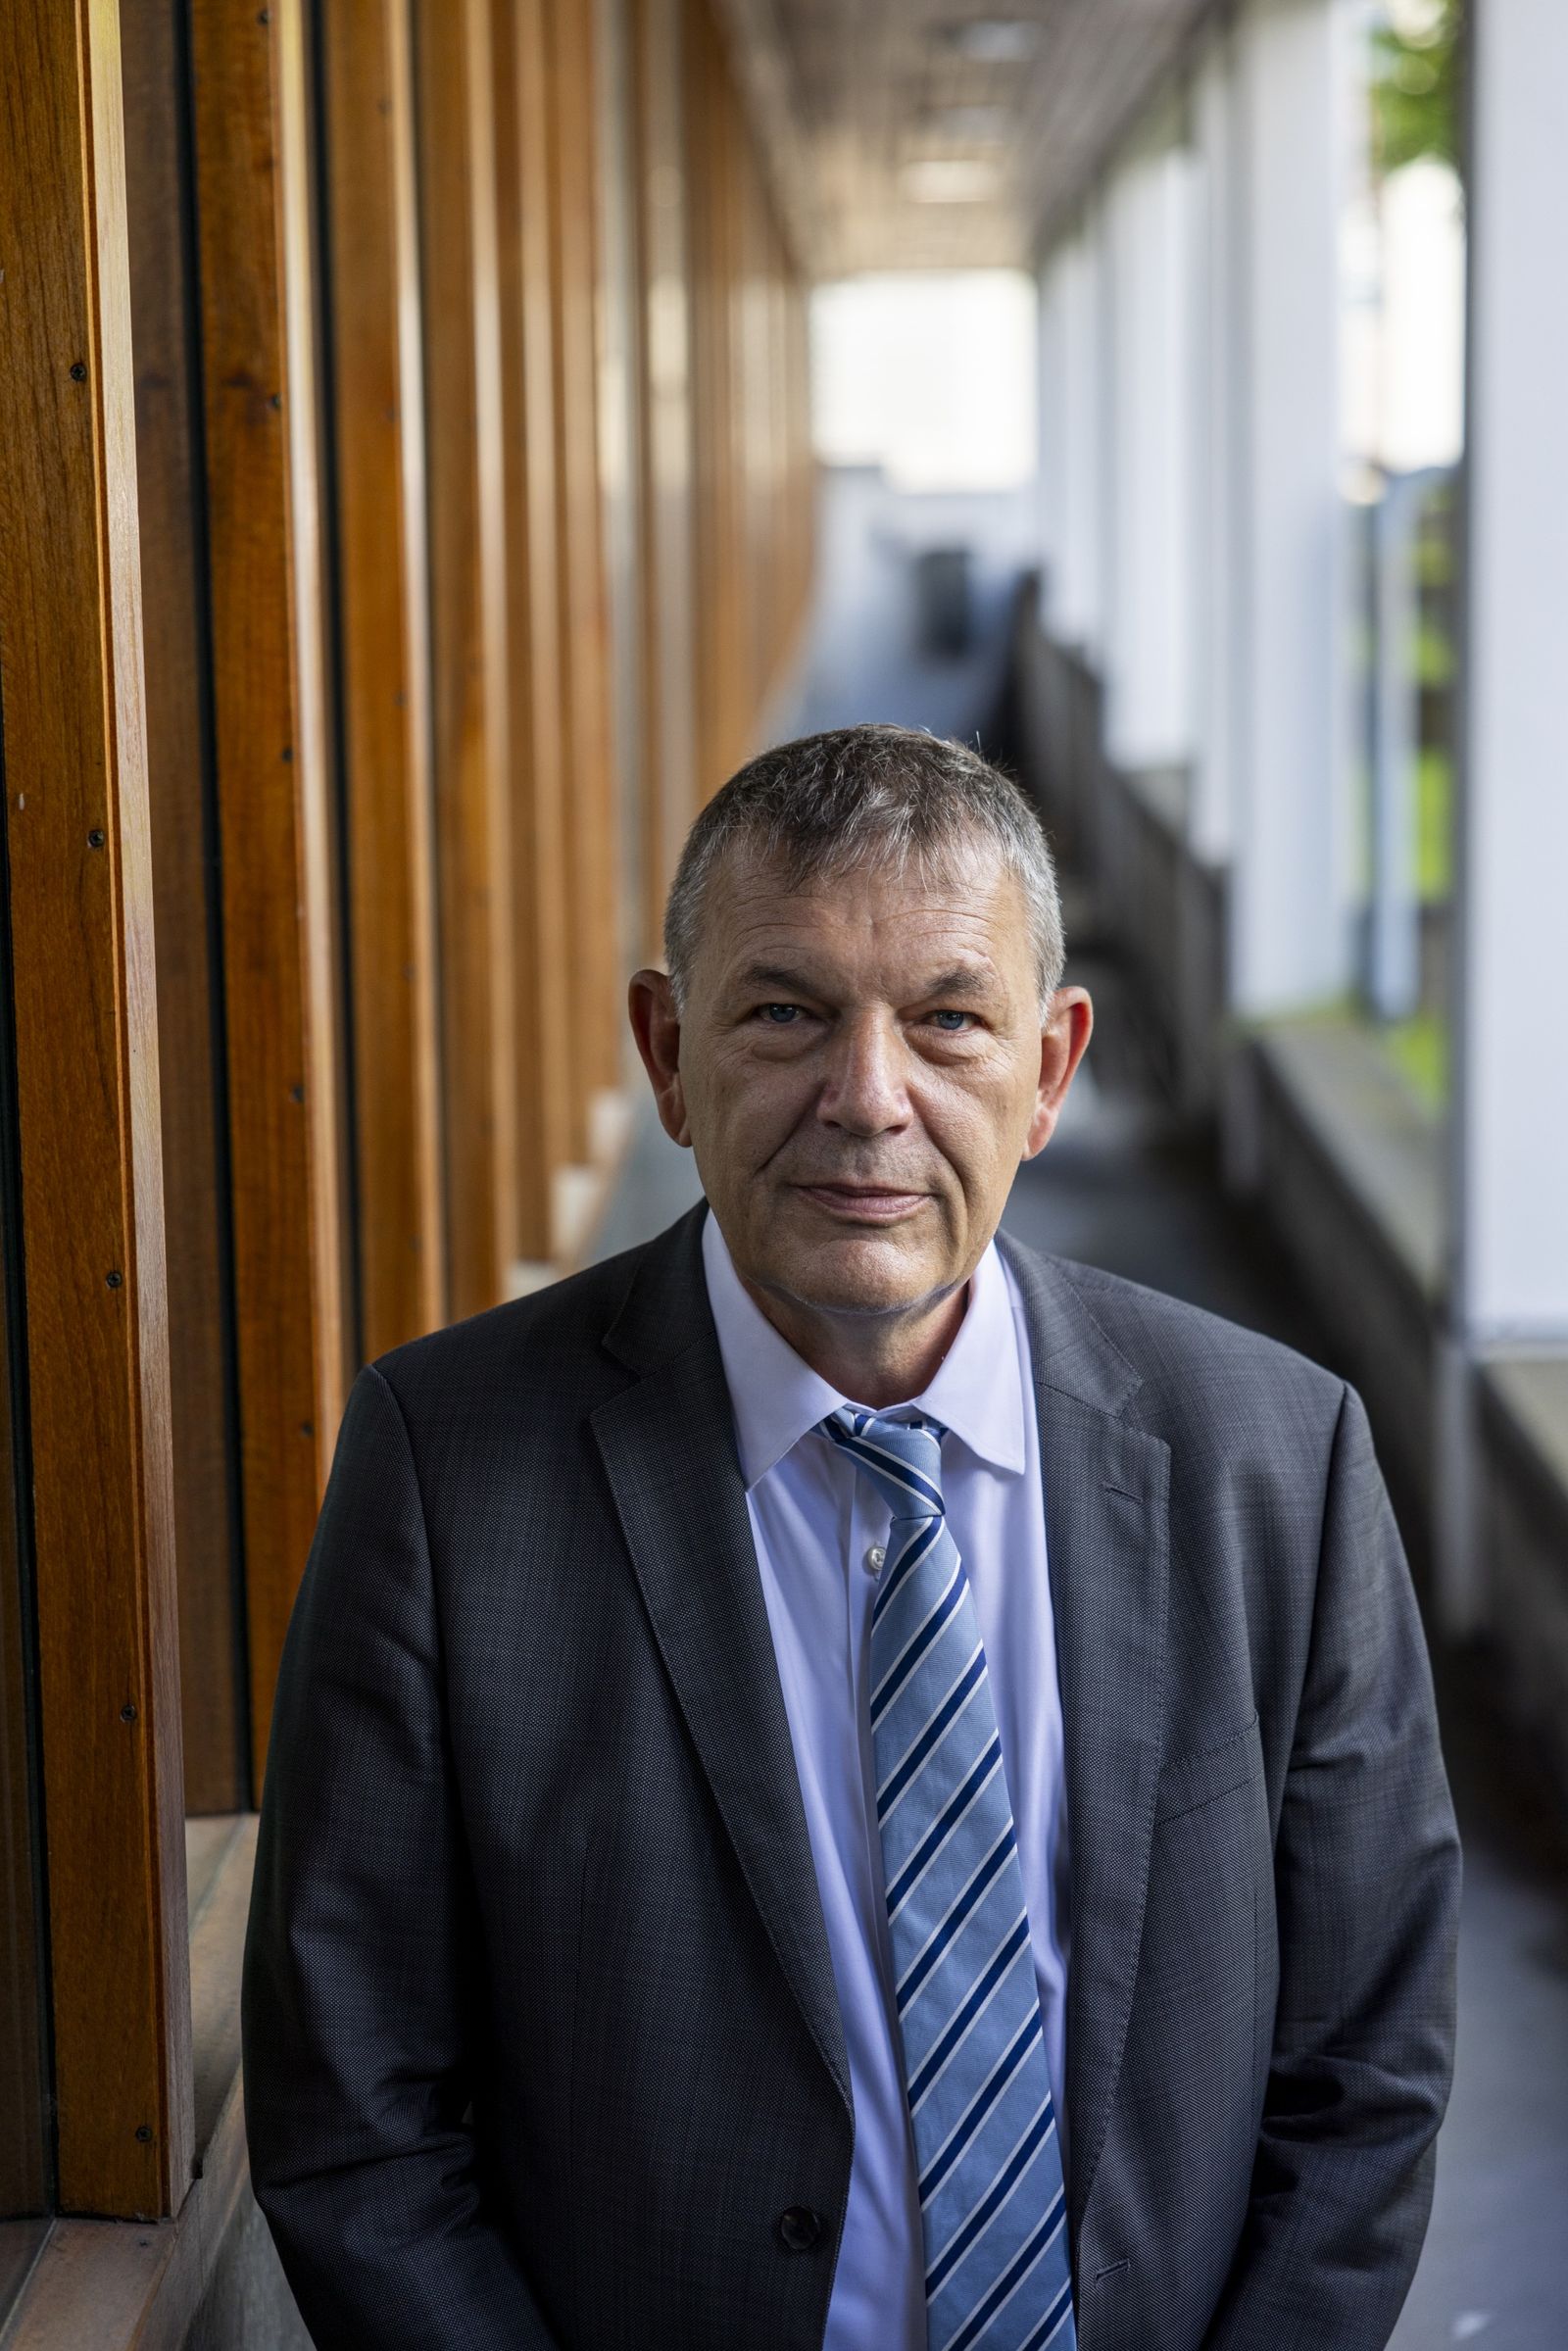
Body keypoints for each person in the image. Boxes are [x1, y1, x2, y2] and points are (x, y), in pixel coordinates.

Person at [243, 723, 1460, 2351]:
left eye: (949, 1019)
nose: (868, 1100)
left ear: (1050, 1069)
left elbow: (1365, 2072)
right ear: (667, 1054)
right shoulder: (448, 1470)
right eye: (785, 1014)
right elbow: (357, 2117)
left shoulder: (1276, 1461)